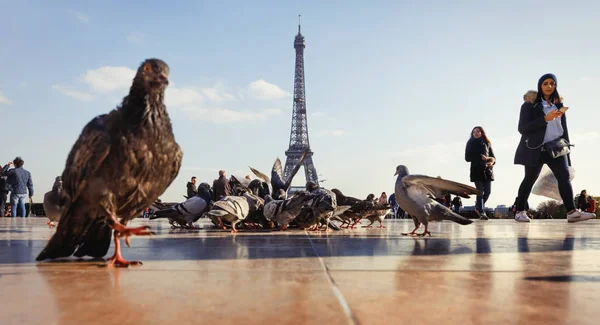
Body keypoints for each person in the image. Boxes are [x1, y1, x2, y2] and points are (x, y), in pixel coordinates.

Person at [513, 73, 595, 222]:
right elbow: (522, 128)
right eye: (546, 83)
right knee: (529, 179)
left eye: (552, 83)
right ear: (540, 86)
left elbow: (564, 131)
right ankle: (519, 211)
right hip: (535, 149)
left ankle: (572, 212)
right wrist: (544, 119)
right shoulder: (530, 105)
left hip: (557, 148)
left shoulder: (559, 106)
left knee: (564, 177)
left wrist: (568, 153)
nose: (549, 86)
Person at [465, 126, 495, 220]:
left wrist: (491, 162)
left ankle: (478, 207)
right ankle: (482, 212)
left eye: (478, 131)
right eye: (474, 132)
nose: (476, 133)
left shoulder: (487, 143)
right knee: (480, 191)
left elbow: (493, 157)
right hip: (476, 170)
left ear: (482, 132)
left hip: (487, 171)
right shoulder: (470, 143)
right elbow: (467, 158)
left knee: (488, 192)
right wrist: (479, 157)